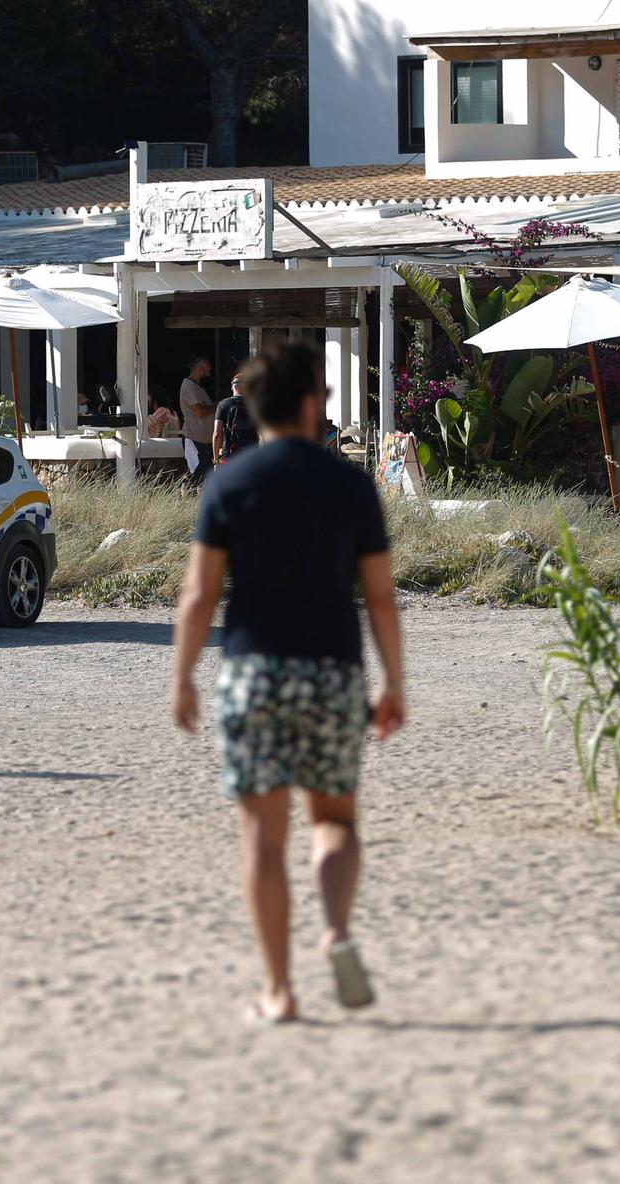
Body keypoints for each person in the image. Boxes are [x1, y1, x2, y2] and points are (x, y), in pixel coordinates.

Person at [168, 341, 406, 1023]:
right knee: (333, 821)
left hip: (253, 672)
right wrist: (394, 681)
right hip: (332, 671)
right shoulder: (350, 486)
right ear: (310, 403)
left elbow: (197, 597)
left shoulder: (228, 486)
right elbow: (382, 599)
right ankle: (334, 928)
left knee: (263, 840)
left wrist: (183, 679)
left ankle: (279, 990)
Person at [179, 354, 216, 484]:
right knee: (194, 474)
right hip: (194, 439)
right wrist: (217, 407)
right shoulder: (188, 386)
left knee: (204, 475)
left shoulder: (197, 387)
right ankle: (185, 500)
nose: (208, 374)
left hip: (203, 441)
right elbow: (199, 412)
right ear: (201, 369)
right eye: (207, 371)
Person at [211, 368, 257, 467]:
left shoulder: (223, 404)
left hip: (228, 456)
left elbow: (217, 434)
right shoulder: (255, 404)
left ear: (232, 388)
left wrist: (216, 462)